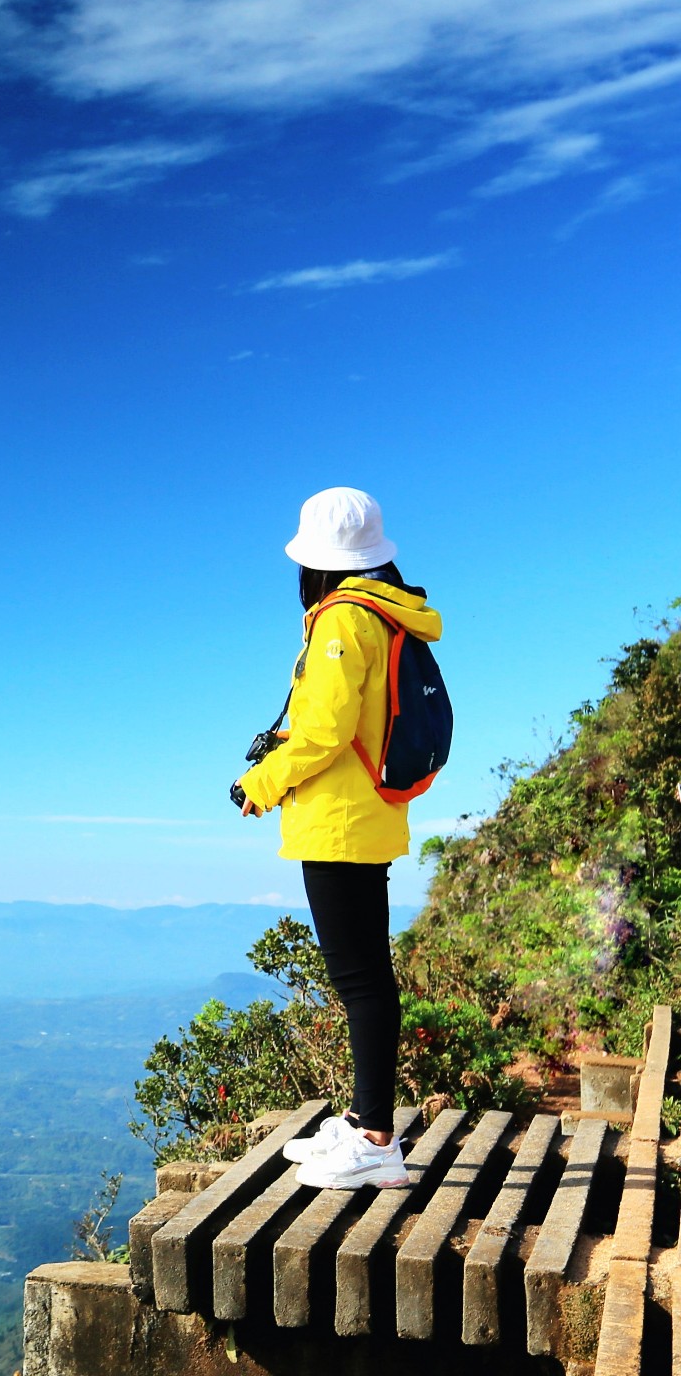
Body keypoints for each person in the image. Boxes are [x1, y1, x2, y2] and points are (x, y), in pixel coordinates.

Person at [234, 487, 443, 1191]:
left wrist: (259, 784)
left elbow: (322, 733)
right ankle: (363, 1120)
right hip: (366, 814)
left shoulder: (339, 624)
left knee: (359, 980)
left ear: (315, 563)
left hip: (339, 821)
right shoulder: (384, 616)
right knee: (364, 976)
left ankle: (377, 1140)